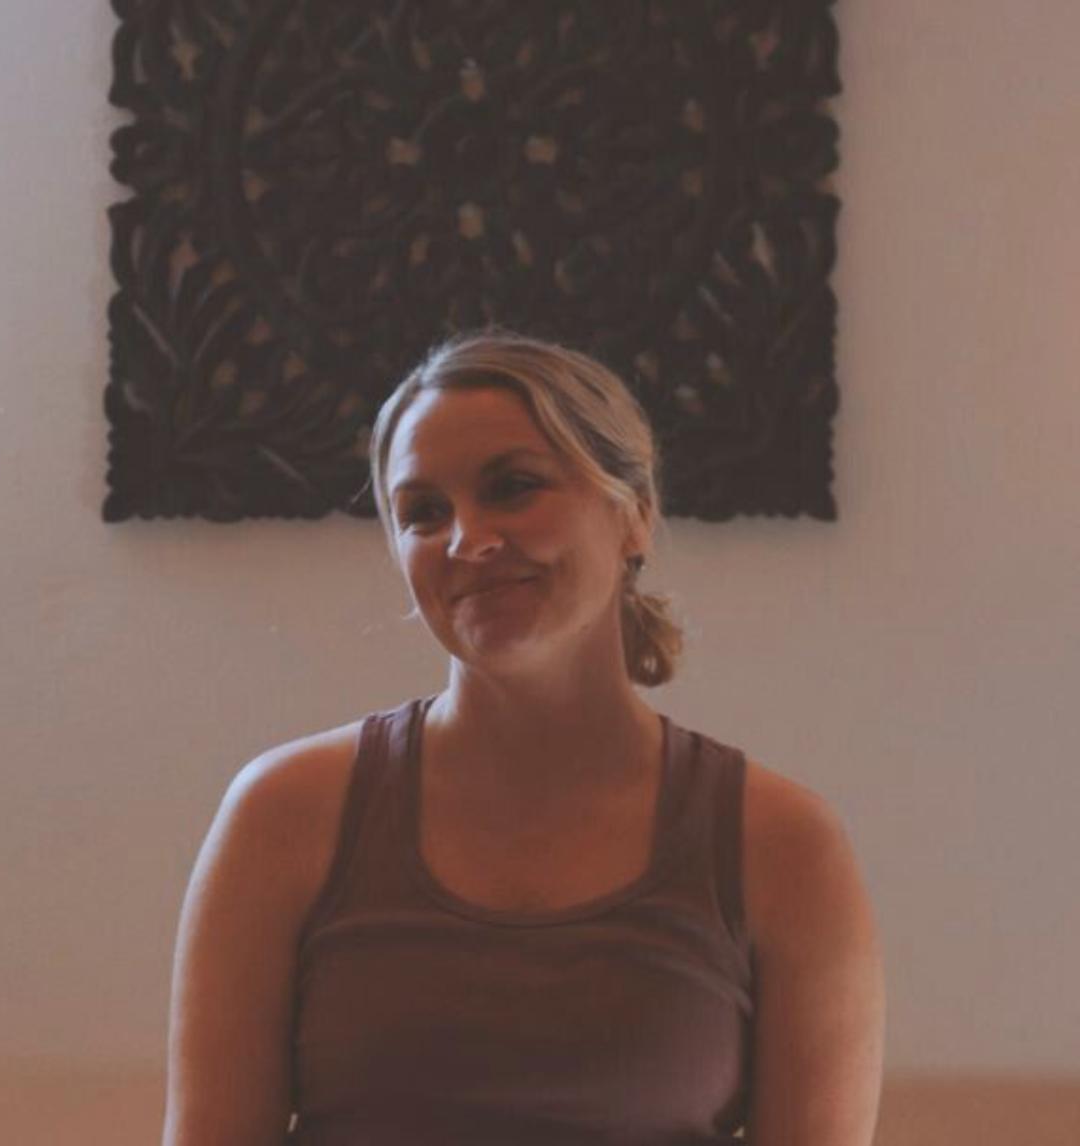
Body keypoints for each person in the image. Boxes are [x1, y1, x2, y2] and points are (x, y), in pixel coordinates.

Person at [162, 331, 884, 1145]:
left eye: (513, 487)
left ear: (635, 513)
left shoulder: (783, 844)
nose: (467, 539)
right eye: (423, 512)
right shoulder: (285, 813)